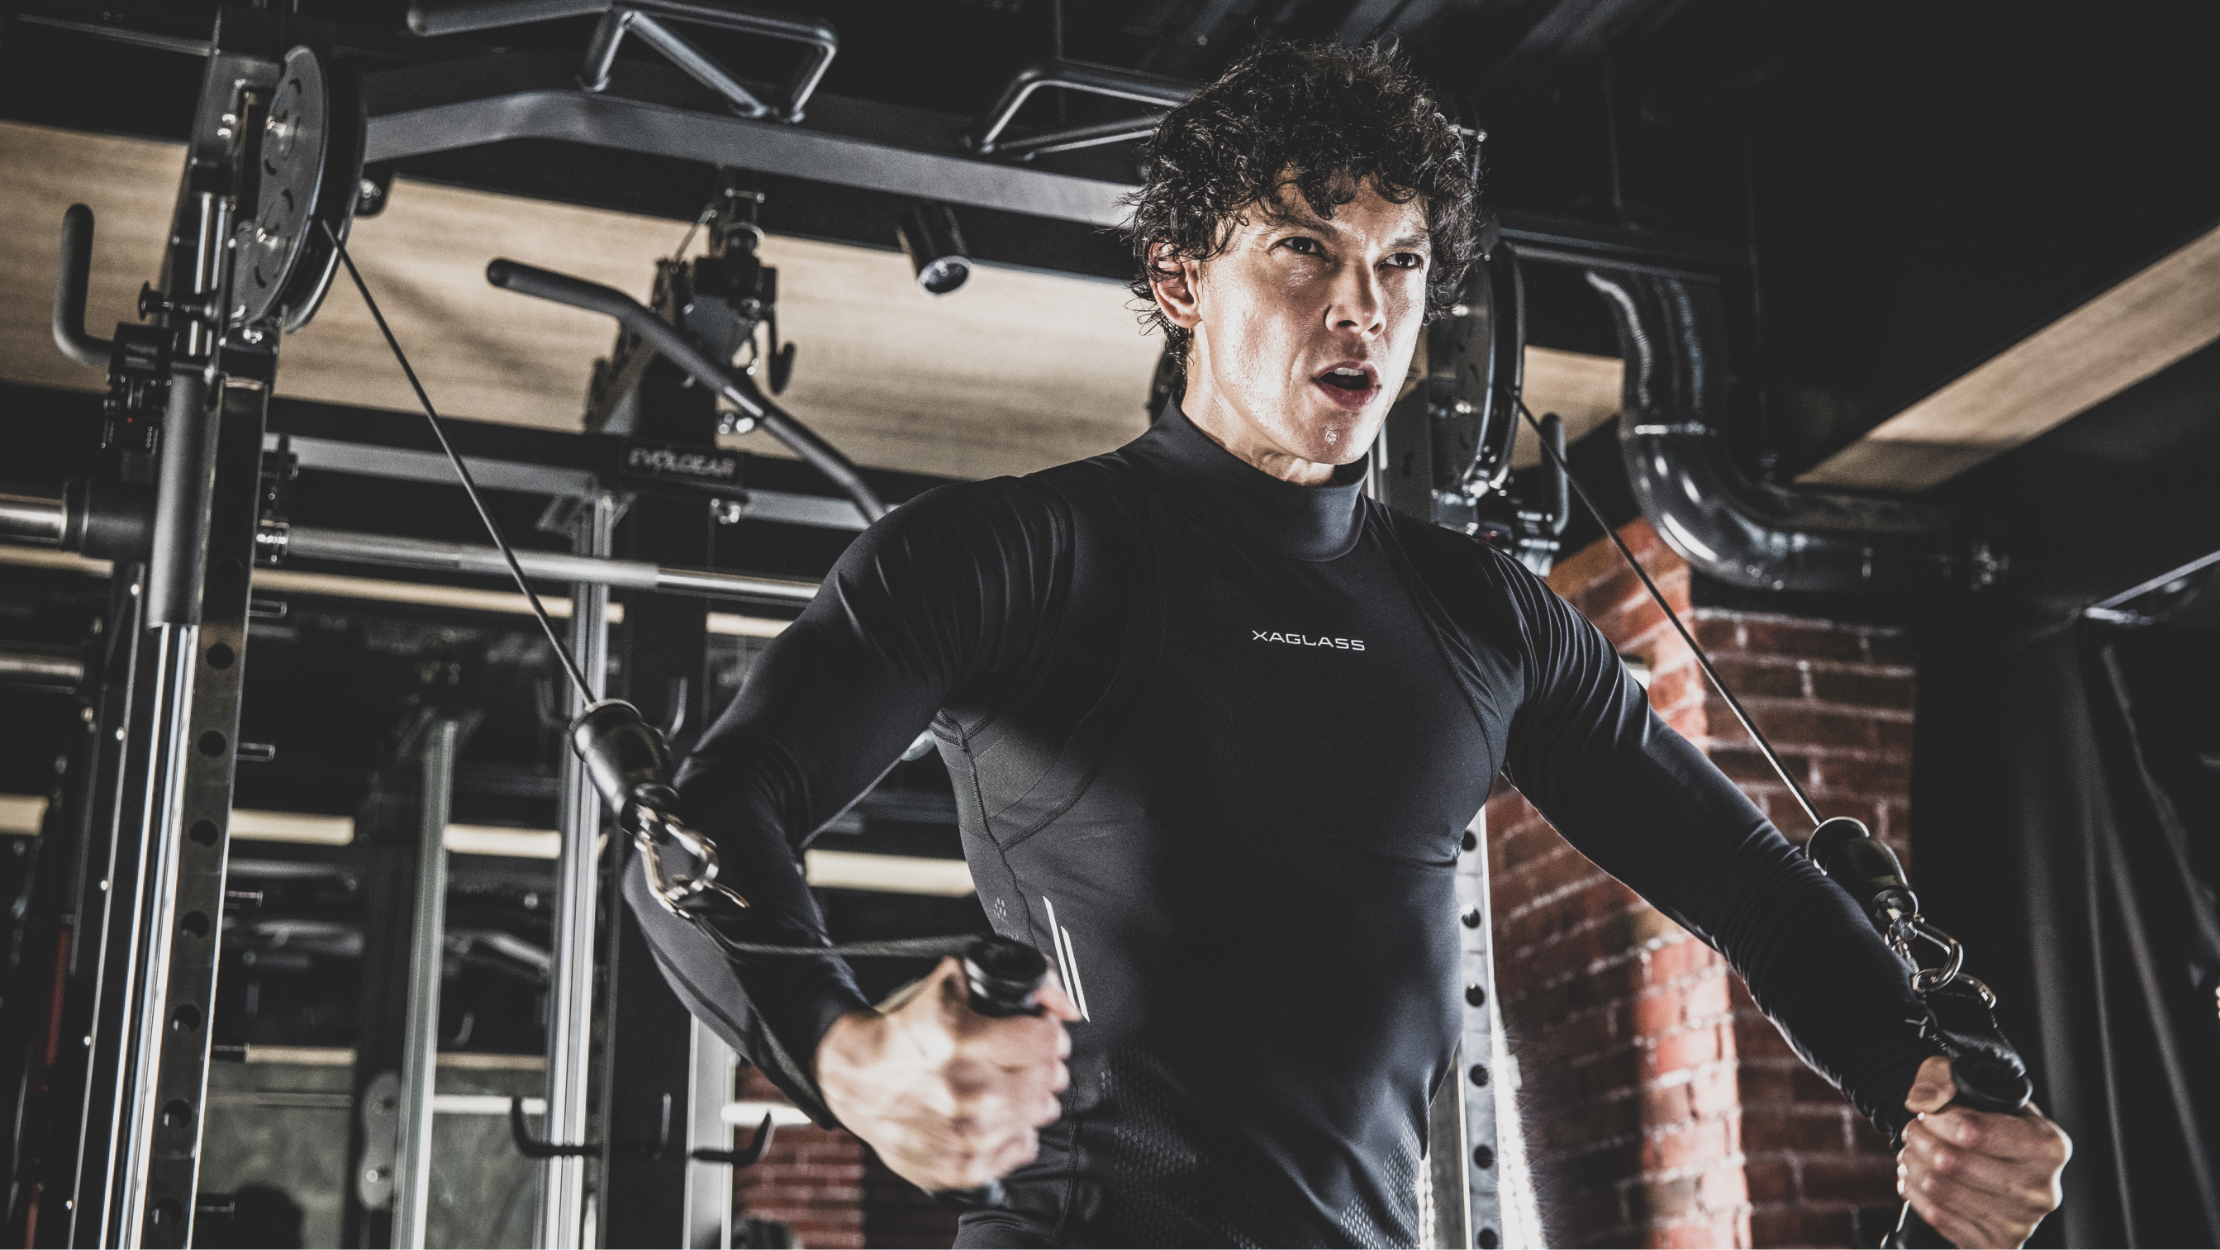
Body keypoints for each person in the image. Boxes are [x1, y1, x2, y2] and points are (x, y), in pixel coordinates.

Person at [629, 42, 2070, 1248]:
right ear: (1181, 278)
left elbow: (1752, 885)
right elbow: (706, 817)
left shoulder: (1490, 619)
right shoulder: (1008, 558)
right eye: (1303, 250)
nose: (1361, 308)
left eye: (1400, 263)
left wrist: (1922, 1085)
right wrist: (846, 1054)